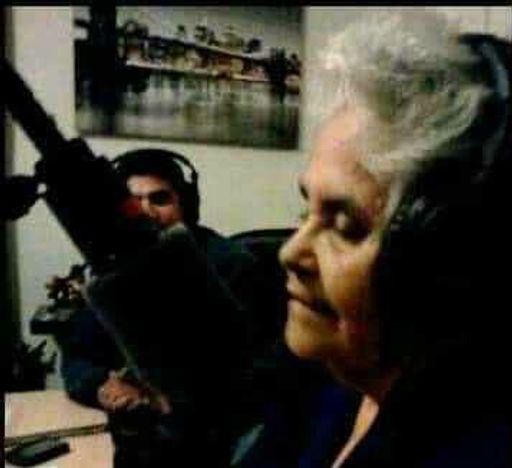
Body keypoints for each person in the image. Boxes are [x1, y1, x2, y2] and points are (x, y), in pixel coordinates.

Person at [237, 10, 511, 468]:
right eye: (306, 210)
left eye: (345, 227)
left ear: (452, 260)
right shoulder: (328, 381)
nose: (290, 252)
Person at [55, 148, 264, 466]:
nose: (146, 212)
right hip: (133, 437)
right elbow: (77, 357)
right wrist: (103, 386)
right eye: (133, 201)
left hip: (212, 442)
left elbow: (257, 372)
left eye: (160, 199)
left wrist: (171, 395)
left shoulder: (232, 266)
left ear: (186, 205)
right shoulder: (112, 271)